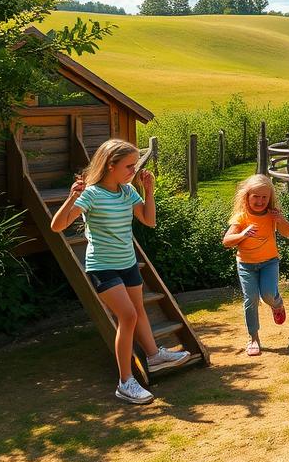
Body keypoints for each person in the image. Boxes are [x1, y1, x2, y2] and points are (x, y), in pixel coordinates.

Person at [50, 139, 190, 404]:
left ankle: (154, 356)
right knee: (127, 316)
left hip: (127, 263)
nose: (133, 170)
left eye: (134, 165)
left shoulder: (127, 192)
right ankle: (125, 382)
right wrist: (71, 198)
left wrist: (149, 191)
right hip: (103, 266)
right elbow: (57, 226)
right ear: (110, 165)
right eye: (129, 165)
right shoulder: (91, 194)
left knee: (137, 312)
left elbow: (149, 221)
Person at [222, 174, 289, 356]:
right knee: (251, 299)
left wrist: (281, 220)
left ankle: (277, 304)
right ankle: (253, 338)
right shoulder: (241, 217)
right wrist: (243, 234)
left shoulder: (272, 215)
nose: (260, 201)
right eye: (256, 196)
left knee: (269, 295)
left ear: (270, 198)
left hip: (269, 262)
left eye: (264, 197)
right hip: (246, 265)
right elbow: (227, 241)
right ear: (247, 196)